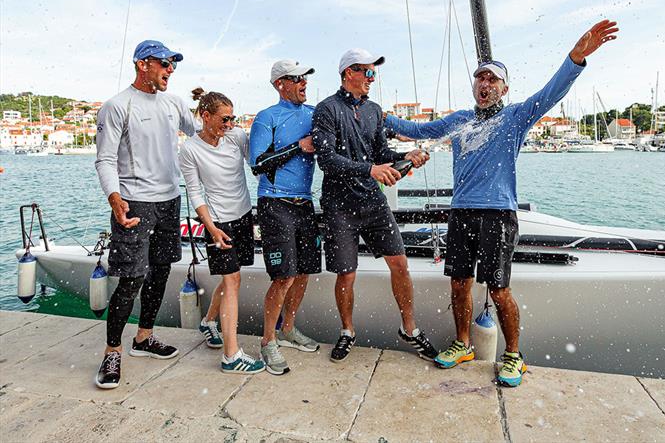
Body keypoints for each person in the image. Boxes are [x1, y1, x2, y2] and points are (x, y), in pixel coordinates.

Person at [384, 20, 619, 387]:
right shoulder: (460, 121)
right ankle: (462, 343)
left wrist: (575, 58)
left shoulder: (515, 117)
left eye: (492, 80)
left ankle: (513, 355)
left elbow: (552, 93)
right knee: (459, 284)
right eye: (480, 78)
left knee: (498, 289)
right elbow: (418, 131)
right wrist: (379, 115)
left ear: (504, 88)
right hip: (461, 213)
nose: (485, 84)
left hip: (498, 213)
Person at [311, 48, 438, 363]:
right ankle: (347, 331)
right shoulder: (326, 110)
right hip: (339, 206)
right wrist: (370, 169)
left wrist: (406, 159)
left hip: (372, 202)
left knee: (400, 264)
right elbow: (326, 160)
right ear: (348, 73)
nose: (371, 79)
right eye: (367, 72)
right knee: (347, 275)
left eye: (373, 74)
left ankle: (409, 329)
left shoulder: (374, 111)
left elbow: (381, 155)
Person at [94, 40, 196, 389]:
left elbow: (202, 133)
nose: (170, 70)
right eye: (165, 63)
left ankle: (144, 337)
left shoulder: (174, 103)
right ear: (142, 64)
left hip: (170, 201)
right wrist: (114, 196)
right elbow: (105, 159)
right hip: (135, 201)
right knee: (131, 278)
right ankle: (112, 351)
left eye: (173, 65)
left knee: (161, 271)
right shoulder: (116, 106)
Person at [179, 89, 265, 374]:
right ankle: (231, 355)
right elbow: (195, 192)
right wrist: (210, 227)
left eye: (233, 118)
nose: (229, 125)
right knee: (233, 281)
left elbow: (258, 163)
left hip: (242, 216)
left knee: (232, 279)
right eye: (224, 119)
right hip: (217, 223)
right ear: (205, 116)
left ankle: (209, 321)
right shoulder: (190, 149)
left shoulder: (237, 137)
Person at [249, 59, 321, 375]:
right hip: (274, 204)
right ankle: (268, 342)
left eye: (305, 77)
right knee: (284, 276)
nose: (304, 82)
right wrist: (298, 146)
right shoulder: (267, 117)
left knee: (304, 271)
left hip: (304, 203)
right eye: (296, 78)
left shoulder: (315, 114)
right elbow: (258, 163)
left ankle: (288, 329)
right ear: (280, 83)